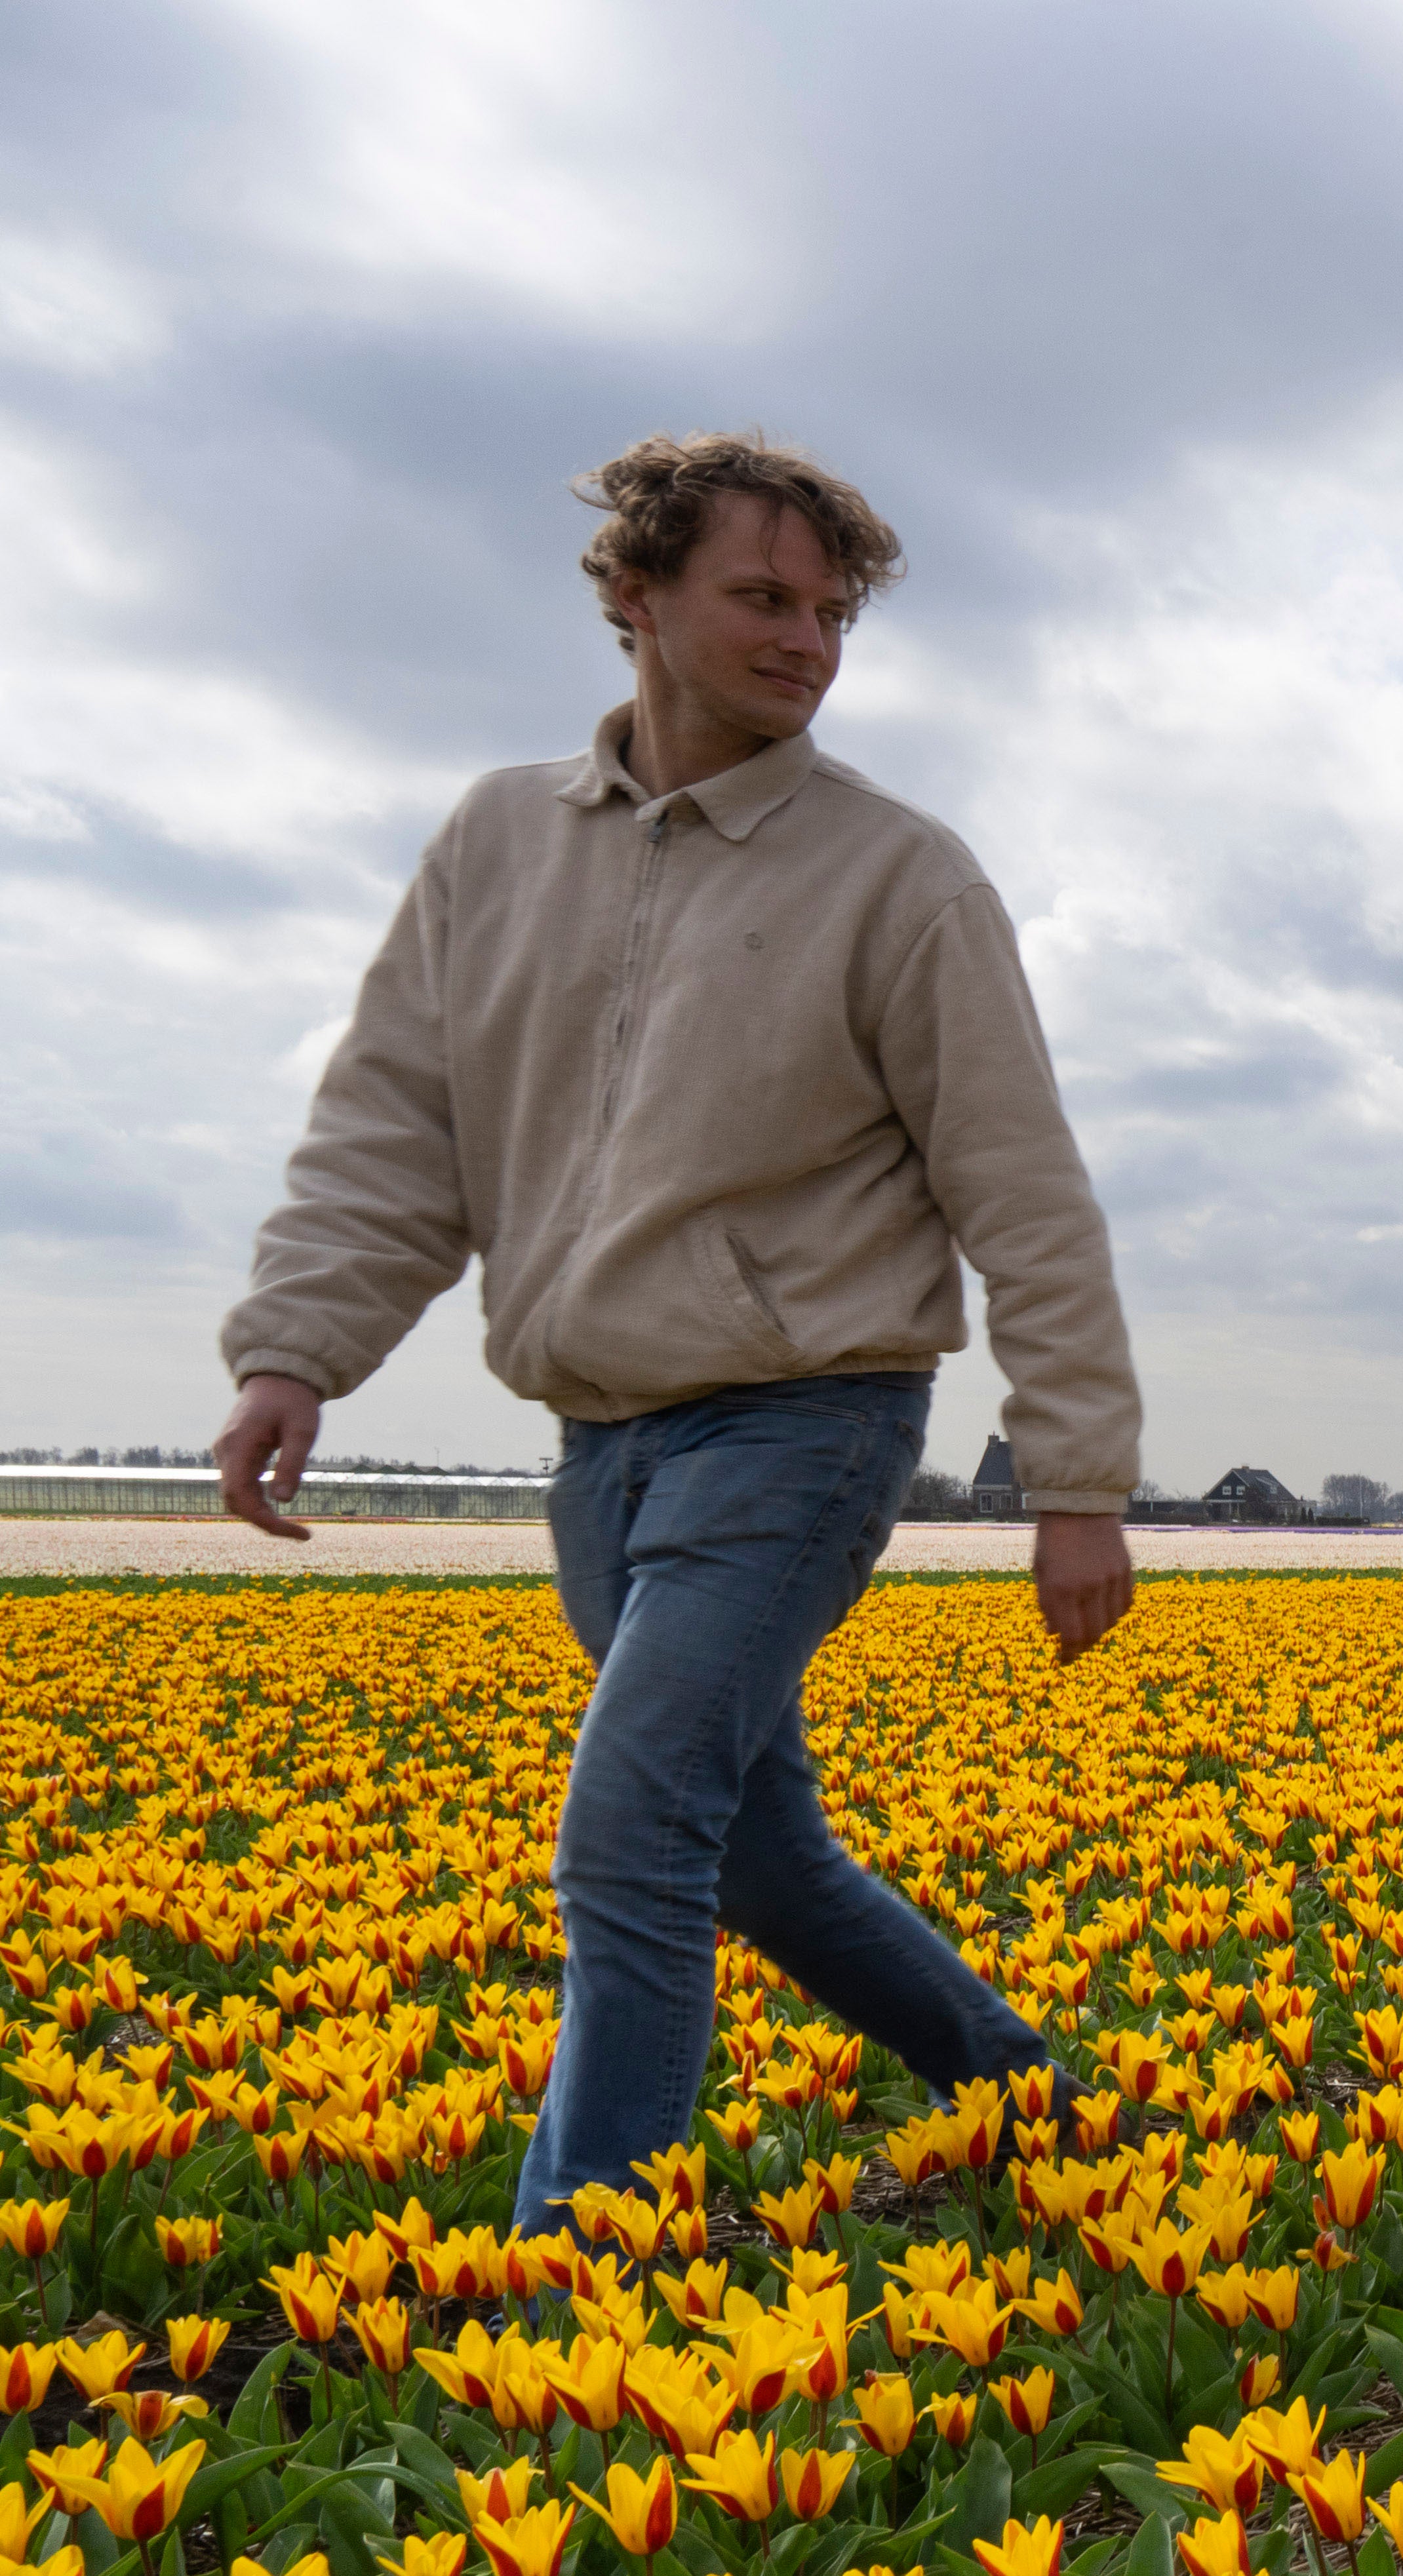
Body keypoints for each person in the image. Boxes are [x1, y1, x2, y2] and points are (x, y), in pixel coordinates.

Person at [209, 430, 1146, 2233]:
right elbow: (396, 1121)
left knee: (632, 1832)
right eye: (765, 598)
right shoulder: (497, 842)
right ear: (634, 595)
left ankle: (580, 2269)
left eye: (834, 614)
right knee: (758, 1855)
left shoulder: (901, 878)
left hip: (807, 1423)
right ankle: (1039, 2103)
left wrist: (1079, 1481)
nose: (809, 642)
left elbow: (1025, 1191)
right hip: (601, 1438)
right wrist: (295, 1350)